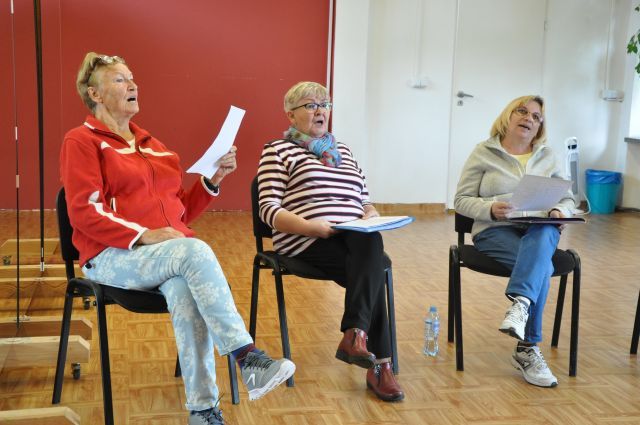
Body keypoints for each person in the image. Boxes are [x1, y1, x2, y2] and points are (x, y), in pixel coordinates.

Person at [60, 52, 295, 425]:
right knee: (193, 251)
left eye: (132, 77)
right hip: (109, 255)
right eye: (120, 79)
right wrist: (144, 234)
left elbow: (178, 213)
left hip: (163, 256)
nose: (132, 84)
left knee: (186, 291)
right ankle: (247, 358)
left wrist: (213, 180)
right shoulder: (82, 141)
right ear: (95, 94)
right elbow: (84, 212)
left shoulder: (154, 146)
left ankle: (203, 410)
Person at [256, 81, 404, 402]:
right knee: (374, 265)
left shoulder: (343, 151)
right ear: (291, 115)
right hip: (305, 241)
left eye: (324, 104)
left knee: (370, 244)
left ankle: (356, 336)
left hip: (352, 237)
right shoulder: (277, 150)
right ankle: (380, 366)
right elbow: (268, 209)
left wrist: (371, 214)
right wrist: (311, 227)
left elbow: (364, 199)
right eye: (311, 105)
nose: (320, 110)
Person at [454, 95, 575, 388]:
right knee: (542, 268)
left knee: (546, 232)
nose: (528, 118)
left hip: (537, 229)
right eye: (522, 111)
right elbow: (461, 200)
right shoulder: (483, 152)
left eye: (536, 117)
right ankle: (527, 348)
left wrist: (560, 211)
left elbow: (568, 198)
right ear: (508, 116)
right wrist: (488, 209)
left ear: (540, 127)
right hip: (495, 230)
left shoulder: (548, 156)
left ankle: (520, 305)